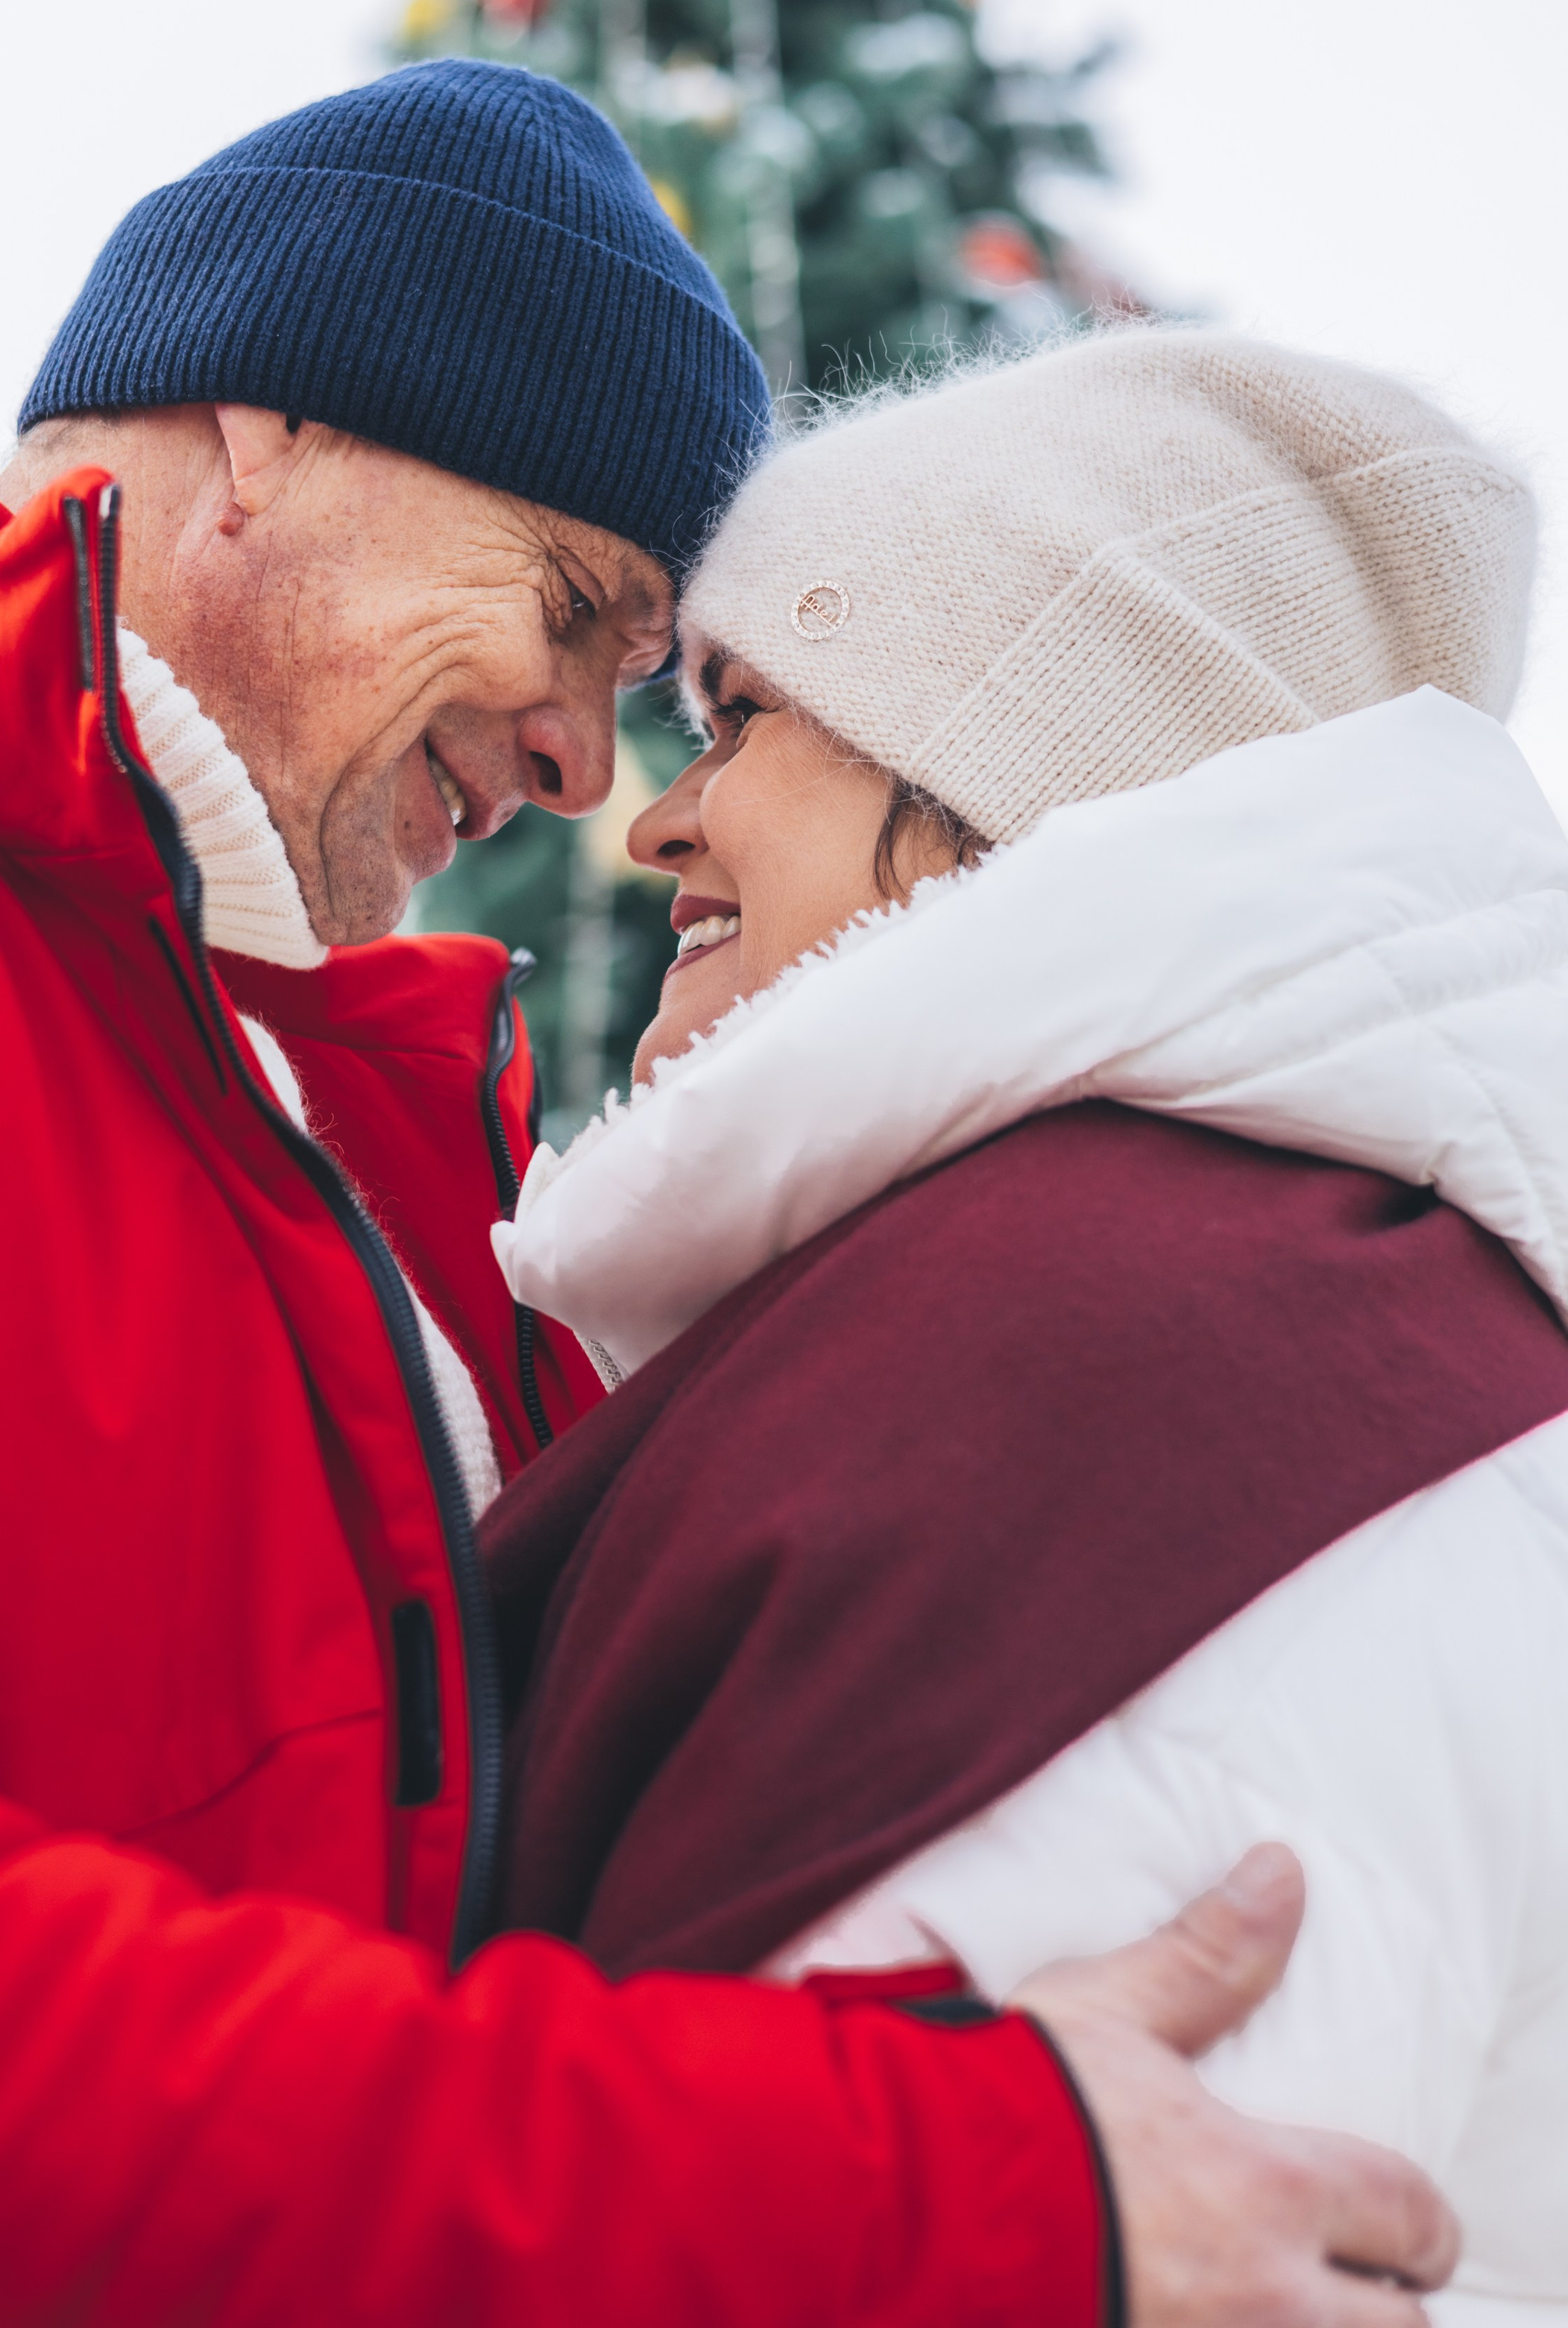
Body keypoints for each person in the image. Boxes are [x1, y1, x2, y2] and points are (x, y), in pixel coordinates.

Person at [0, 67, 1453, 2325]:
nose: (590, 783)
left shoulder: (413, 1177)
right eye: (582, 612)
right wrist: (910, 2186)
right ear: (274, 429)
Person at [489, 324, 1568, 2320]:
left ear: (1008, 769)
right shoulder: (1323, 1307)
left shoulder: (1110, 1362)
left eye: (744, 719)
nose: (657, 820)